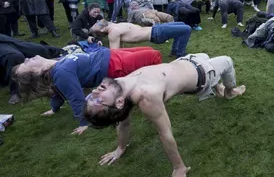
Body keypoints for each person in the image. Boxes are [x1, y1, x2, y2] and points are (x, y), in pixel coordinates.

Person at [83, 53, 246, 177]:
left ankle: (217, 86)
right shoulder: (147, 97)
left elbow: (122, 122)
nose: (95, 92)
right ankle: (229, 92)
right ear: (118, 103)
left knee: (204, 55)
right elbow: (165, 134)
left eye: (91, 97)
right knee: (227, 61)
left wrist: (120, 148)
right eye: (98, 100)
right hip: (201, 73)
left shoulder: (118, 86)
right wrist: (179, 168)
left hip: (186, 60)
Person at [11, 46, 162, 134]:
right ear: (36, 72)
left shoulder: (55, 64)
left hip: (108, 54)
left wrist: (54, 109)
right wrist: (84, 122)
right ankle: (161, 87)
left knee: (149, 50)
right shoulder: (61, 73)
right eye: (27, 63)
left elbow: (56, 92)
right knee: (153, 56)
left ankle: (158, 80)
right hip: (112, 65)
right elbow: (75, 98)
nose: (26, 59)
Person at [90, 19, 191, 58]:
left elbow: (104, 20)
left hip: (155, 28)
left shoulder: (113, 25)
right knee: (186, 29)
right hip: (156, 34)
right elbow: (115, 53)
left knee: (182, 23)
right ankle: (180, 54)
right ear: (102, 29)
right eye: (96, 24)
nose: (98, 21)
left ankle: (175, 51)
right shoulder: (113, 32)